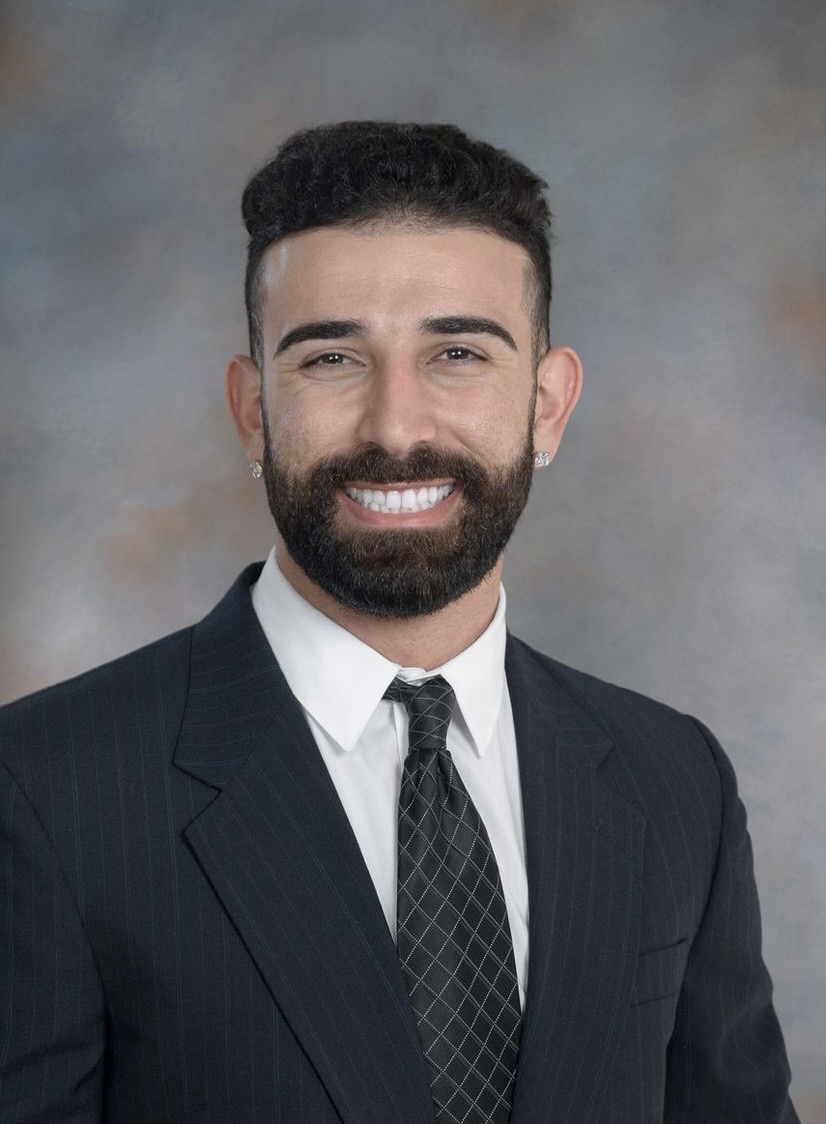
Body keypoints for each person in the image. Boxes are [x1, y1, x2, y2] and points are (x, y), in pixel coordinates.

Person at [0, 121, 799, 1124]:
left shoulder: (673, 779)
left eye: (457, 352)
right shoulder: (43, 788)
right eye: (331, 358)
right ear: (253, 412)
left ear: (547, 406)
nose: (394, 425)